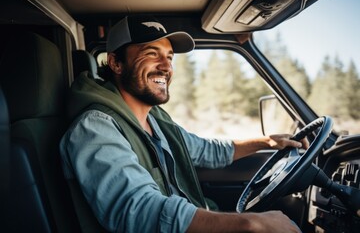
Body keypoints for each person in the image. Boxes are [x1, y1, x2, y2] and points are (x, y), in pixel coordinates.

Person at [60, 15, 308, 233]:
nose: (167, 66)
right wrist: (250, 224)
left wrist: (266, 142)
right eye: (151, 53)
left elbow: (205, 150)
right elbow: (138, 210)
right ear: (116, 63)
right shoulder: (94, 127)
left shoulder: (156, 119)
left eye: (169, 57)